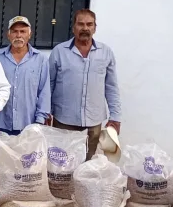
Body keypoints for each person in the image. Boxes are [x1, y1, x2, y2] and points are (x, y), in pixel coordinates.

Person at [49, 9, 120, 159]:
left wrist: (115, 117)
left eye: (89, 24)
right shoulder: (59, 52)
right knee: (62, 162)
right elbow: (48, 85)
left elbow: (111, 88)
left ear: (95, 28)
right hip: (64, 120)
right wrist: (46, 112)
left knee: (88, 163)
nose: (85, 28)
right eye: (80, 24)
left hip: (93, 122)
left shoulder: (106, 53)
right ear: (73, 27)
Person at [0, 16, 51, 135]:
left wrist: (40, 121)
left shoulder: (41, 59)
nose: (18, 35)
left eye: (23, 31)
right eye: (15, 31)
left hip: (29, 124)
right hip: (0, 123)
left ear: (29, 34)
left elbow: (44, 92)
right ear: (8, 35)